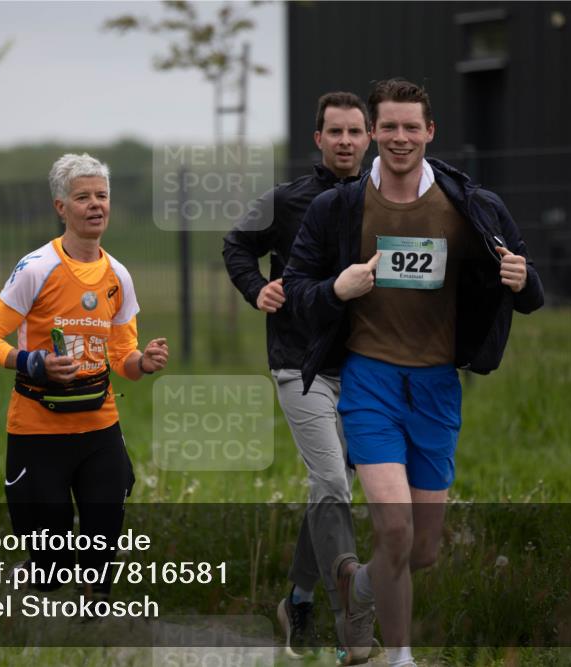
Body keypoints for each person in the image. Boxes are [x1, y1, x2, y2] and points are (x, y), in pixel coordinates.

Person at [284, 79, 544, 666]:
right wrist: (337, 287)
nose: (399, 138)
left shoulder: (472, 206)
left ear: (430, 132)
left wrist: (522, 279)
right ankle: (398, 658)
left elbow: (531, 294)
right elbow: (297, 289)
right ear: (373, 132)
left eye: (411, 127)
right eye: (389, 127)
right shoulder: (339, 207)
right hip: (369, 381)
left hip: (436, 387)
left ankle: (358, 585)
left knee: (422, 549)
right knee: (394, 531)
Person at [0, 153, 169, 602]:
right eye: (83, 197)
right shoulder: (37, 268)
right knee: (51, 565)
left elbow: (123, 359)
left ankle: (96, 626)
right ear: (62, 206)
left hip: (99, 426)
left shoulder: (118, 275)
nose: (96, 205)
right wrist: (33, 364)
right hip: (38, 427)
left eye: (102, 196)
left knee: (102, 548)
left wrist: (144, 362)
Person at [223, 92, 371, 662]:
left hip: (363, 367)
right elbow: (237, 243)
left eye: (355, 132)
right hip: (298, 362)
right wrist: (255, 286)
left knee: (328, 489)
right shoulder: (287, 201)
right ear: (318, 138)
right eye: (334, 132)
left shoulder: (384, 200)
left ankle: (297, 600)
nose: (345, 142)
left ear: (369, 138)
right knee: (333, 484)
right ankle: (350, 626)